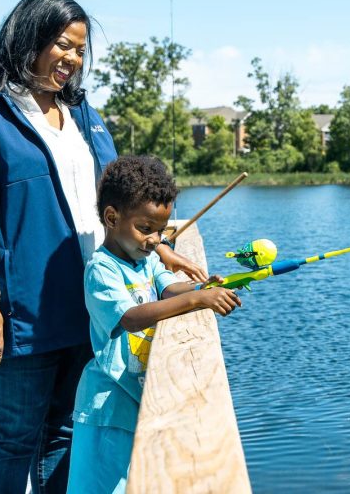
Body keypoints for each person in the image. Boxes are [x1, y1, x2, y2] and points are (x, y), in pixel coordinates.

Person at [0, 0, 206, 494]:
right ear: (28, 38)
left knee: (64, 432)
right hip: (21, 311)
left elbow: (125, 199)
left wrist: (159, 245)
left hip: (88, 306)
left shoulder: (85, 116)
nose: (72, 60)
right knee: (13, 439)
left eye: (80, 50)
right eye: (62, 44)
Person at [66, 155, 241, 494]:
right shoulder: (102, 269)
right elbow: (129, 318)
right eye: (145, 229)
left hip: (133, 397)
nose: (153, 240)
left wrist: (203, 288)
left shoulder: (142, 260)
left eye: (160, 231)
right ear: (112, 217)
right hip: (106, 404)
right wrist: (195, 300)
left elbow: (168, 286)